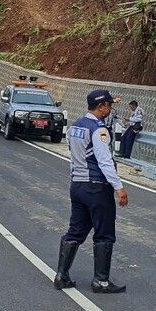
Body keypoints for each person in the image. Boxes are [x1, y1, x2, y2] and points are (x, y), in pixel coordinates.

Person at [53, 89, 129, 293]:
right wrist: (118, 187)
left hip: (77, 186)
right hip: (96, 187)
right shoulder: (99, 129)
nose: (110, 109)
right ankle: (101, 281)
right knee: (104, 234)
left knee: (76, 231)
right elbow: (104, 161)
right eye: (109, 105)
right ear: (101, 106)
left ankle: (61, 275)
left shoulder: (76, 126)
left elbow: (73, 155)